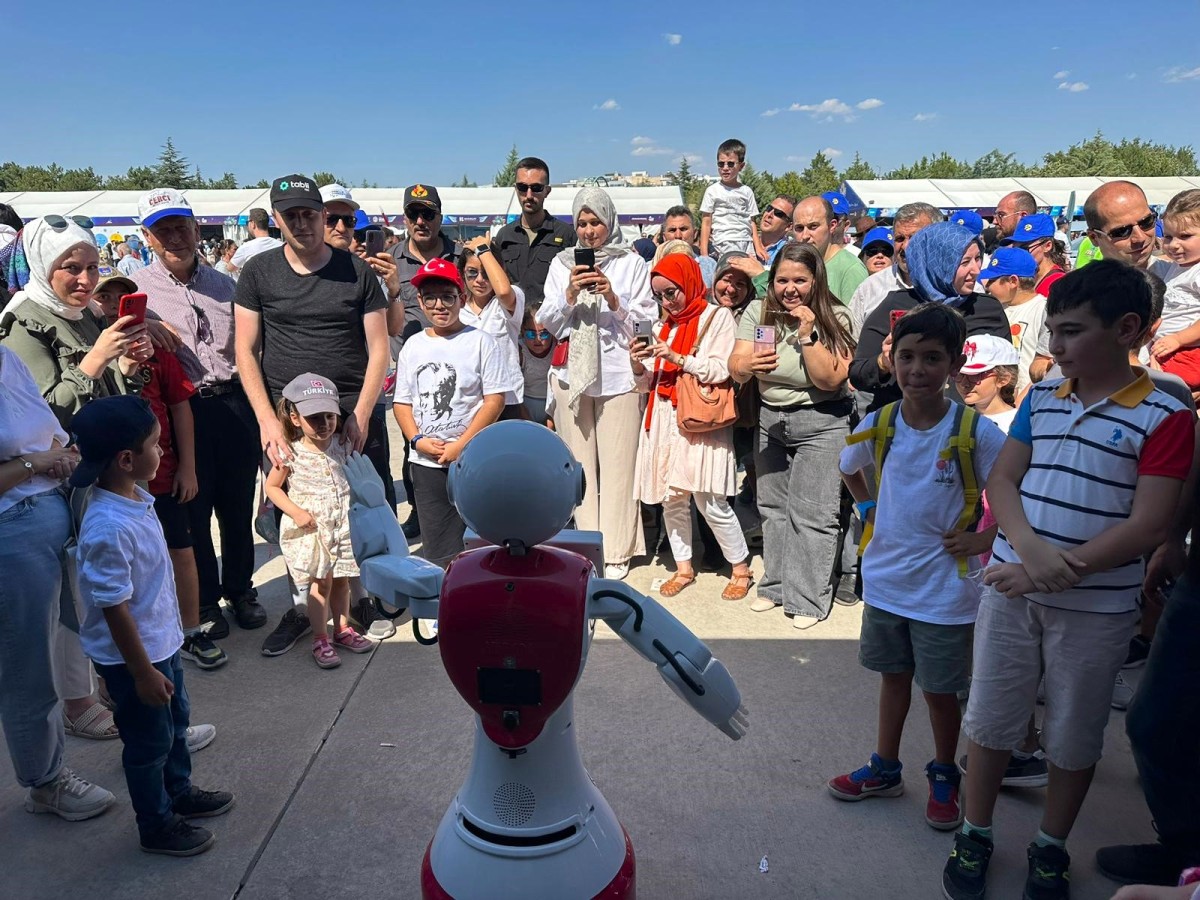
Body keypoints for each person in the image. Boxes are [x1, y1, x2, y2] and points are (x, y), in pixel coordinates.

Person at [943, 261, 1195, 900]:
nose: (1054, 347)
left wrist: (1055, 573)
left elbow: (1149, 523)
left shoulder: (1166, 412)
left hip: (1098, 606)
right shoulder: (1042, 398)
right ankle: (975, 829)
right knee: (993, 716)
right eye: (1052, 330)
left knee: (1075, 732)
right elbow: (1004, 479)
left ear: (1127, 328)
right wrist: (1029, 558)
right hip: (1012, 586)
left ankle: (1050, 845)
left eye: (1072, 331)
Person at [829, 304, 1007, 831]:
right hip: (887, 583)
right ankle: (885, 767)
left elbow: (1018, 496)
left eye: (932, 358)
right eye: (906, 356)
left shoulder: (978, 433)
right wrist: (867, 509)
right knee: (893, 678)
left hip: (945, 593)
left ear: (955, 365)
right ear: (892, 357)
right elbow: (849, 468)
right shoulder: (878, 422)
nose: (916, 369)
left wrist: (984, 536)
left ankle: (945, 772)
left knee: (940, 691)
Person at [1, 215, 150, 737]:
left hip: (98, 475)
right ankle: (81, 704)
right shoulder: (25, 323)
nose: (86, 280)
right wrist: (92, 365)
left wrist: (126, 367)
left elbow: (105, 387)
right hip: (58, 484)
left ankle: (114, 692)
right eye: (71, 268)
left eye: (91, 267)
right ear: (42, 267)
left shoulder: (79, 313)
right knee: (75, 602)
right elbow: (37, 419)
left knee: (104, 591)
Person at [70, 396, 235, 857]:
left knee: (175, 723)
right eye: (156, 445)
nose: (163, 453)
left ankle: (179, 792)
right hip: (133, 658)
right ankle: (156, 823)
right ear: (126, 459)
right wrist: (141, 673)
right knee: (148, 744)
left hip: (160, 644)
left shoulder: (135, 499)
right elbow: (114, 608)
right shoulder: (107, 527)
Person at [234, 175, 390, 657]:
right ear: (276, 220)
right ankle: (305, 609)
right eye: (291, 214)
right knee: (298, 520)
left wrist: (361, 412)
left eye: (310, 213)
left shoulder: (356, 272)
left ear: (324, 216)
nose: (302, 222)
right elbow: (246, 348)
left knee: (359, 510)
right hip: (289, 419)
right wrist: (264, 418)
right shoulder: (258, 273)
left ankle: (357, 605)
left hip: (347, 413)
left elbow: (380, 346)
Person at [131, 188, 266, 644]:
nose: (175, 236)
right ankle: (205, 598)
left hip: (235, 403)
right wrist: (142, 321)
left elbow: (252, 346)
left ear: (195, 228)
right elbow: (103, 317)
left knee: (236, 504)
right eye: (163, 229)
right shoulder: (139, 292)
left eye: (181, 226)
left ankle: (241, 590)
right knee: (195, 506)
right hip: (185, 412)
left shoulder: (227, 286)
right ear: (148, 237)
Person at [0, 344, 116, 822]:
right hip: (12, 530)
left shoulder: (6, 358)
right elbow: (32, 456)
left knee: (99, 627)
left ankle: (153, 727)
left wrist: (60, 456)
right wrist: (35, 464)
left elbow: (47, 431)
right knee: (28, 664)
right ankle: (45, 782)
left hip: (53, 508)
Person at [93, 271, 225, 671]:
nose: (119, 307)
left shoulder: (158, 354)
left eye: (127, 299)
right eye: (109, 299)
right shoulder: (90, 353)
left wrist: (188, 466)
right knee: (126, 567)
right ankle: (131, 646)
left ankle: (189, 630)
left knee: (181, 551)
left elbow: (180, 407)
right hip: (115, 483)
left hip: (164, 472)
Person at [728, 243, 856, 627]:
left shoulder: (836, 316)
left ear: (816, 280)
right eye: (782, 279)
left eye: (800, 280)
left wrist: (807, 333)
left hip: (822, 420)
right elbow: (734, 366)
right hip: (772, 418)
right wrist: (746, 364)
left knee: (814, 513)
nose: (789, 288)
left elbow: (831, 378)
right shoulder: (758, 311)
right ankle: (776, 585)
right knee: (773, 509)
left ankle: (808, 600)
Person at [539, 187, 656, 580]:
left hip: (619, 375)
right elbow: (549, 324)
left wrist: (615, 298)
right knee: (580, 468)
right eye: (583, 224)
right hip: (574, 376)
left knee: (620, 466)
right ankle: (587, 546)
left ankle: (618, 549)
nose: (590, 231)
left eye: (596, 222)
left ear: (610, 221)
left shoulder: (632, 263)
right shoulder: (561, 263)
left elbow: (645, 323)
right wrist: (570, 292)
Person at [630, 254, 753, 601]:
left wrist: (676, 357)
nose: (666, 301)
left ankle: (740, 567)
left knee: (710, 501)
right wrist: (637, 364)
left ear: (688, 283)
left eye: (671, 292)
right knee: (672, 500)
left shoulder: (716, 317)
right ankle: (684, 567)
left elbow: (720, 371)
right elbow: (646, 386)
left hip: (699, 420)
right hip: (664, 418)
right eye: (659, 296)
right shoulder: (660, 326)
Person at [393, 258, 506, 568]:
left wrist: (462, 444)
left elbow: (494, 400)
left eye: (448, 296)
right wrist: (416, 440)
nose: (439, 305)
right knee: (438, 539)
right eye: (430, 297)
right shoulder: (413, 346)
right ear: (419, 301)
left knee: (481, 534)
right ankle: (443, 600)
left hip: (472, 456)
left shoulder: (481, 342)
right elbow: (402, 403)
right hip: (425, 460)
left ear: (462, 298)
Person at [264, 374, 372, 669]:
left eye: (329, 415)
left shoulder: (342, 444)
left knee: (342, 581)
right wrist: (295, 512)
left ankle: (343, 629)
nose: (324, 423)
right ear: (295, 418)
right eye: (314, 418)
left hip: (342, 525)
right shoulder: (290, 452)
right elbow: (272, 487)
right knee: (320, 584)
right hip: (313, 529)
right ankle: (320, 637)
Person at [851, 222, 1012, 414]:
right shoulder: (896, 304)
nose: (976, 270)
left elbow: (1007, 371)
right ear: (939, 262)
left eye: (978, 259)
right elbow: (858, 374)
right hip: (903, 423)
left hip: (969, 426)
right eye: (964, 262)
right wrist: (883, 362)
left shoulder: (988, 308)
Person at [388, 183, 463, 540]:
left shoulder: (460, 255)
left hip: (459, 362)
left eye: (428, 214)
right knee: (412, 446)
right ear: (405, 218)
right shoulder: (391, 258)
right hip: (413, 366)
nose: (421, 220)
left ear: (440, 216)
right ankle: (421, 510)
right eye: (414, 214)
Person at [493, 157, 576, 307]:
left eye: (536, 188)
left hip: (551, 326)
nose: (529, 195)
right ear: (516, 189)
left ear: (547, 191)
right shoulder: (504, 236)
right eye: (523, 187)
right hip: (514, 325)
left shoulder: (566, 235)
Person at [458, 234, 525, 419]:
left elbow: (503, 291)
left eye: (487, 273)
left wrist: (483, 250)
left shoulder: (511, 300)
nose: (479, 280)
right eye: (472, 272)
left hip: (507, 399)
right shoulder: (457, 308)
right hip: (468, 402)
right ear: (462, 272)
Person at [850, 202, 942, 334]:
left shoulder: (959, 286)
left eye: (914, 237)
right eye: (899, 239)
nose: (905, 246)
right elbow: (851, 346)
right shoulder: (869, 289)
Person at [976, 247, 1048, 393]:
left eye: (992, 280)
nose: (987, 286)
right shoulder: (996, 309)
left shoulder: (1043, 309)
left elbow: (1044, 363)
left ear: (1013, 281)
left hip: (1026, 398)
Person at [1149, 189, 1200, 393]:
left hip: (1189, 352)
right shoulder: (1176, 267)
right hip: (1171, 350)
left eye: (1185, 236)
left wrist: (1178, 339)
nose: (1174, 245)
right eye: (1168, 237)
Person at [791, 195, 869, 306]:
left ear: (832, 226)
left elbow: (853, 321)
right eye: (799, 228)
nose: (805, 235)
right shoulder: (793, 264)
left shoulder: (851, 269)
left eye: (813, 226)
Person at [699, 138, 762, 260]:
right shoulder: (712, 191)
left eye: (730, 164)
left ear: (741, 166)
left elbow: (752, 220)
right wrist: (704, 253)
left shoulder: (747, 191)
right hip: (723, 242)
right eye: (721, 164)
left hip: (745, 241)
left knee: (749, 275)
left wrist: (758, 246)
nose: (725, 168)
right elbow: (706, 222)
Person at [1002, 213, 1067, 298]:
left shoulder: (1058, 284)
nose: (1019, 254)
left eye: (1025, 248)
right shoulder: (1025, 278)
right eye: (1015, 249)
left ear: (1047, 246)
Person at [659, 206, 717, 286]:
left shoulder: (709, 266)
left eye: (683, 229)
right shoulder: (651, 267)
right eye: (672, 230)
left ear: (695, 233)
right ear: (664, 237)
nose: (678, 236)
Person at [520, 306, 555, 425]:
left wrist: (551, 422)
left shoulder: (558, 348)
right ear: (522, 331)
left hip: (554, 408)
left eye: (544, 334)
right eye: (531, 334)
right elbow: (514, 393)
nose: (537, 339)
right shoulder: (519, 351)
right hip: (523, 408)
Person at [758, 194, 797, 266]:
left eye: (778, 213)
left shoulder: (790, 254)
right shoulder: (746, 241)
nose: (769, 214)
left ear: (788, 226)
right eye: (769, 208)